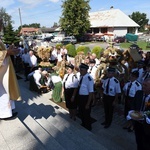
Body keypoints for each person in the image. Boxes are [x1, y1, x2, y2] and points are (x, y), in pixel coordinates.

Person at [0, 40, 21, 120]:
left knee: (6, 90)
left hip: (4, 70)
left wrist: (9, 49)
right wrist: (8, 52)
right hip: (1, 73)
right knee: (3, 92)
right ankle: (4, 114)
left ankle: (8, 111)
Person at [128, 78, 150, 150]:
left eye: (145, 85)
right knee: (138, 141)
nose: (143, 86)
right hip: (137, 123)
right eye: (143, 84)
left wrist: (146, 117)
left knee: (146, 144)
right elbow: (133, 105)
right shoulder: (138, 93)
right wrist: (131, 112)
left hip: (147, 126)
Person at [78, 63, 94, 131]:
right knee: (81, 112)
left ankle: (88, 127)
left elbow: (91, 92)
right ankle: (83, 123)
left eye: (81, 70)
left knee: (86, 113)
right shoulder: (81, 76)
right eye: (80, 70)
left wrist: (88, 103)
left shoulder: (89, 79)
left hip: (86, 98)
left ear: (86, 70)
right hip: (80, 97)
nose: (80, 71)